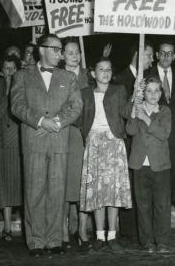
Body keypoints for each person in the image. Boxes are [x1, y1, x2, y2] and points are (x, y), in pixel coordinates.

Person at [11, 34, 83, 257]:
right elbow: (17, 106)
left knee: (56, 193)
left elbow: (76, 106)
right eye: (56, 49)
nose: (60, 54)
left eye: (61, 50)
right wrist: (41, 121)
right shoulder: (22, 76)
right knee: (34, 193)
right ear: (41, 50)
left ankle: (54, 240)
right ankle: (36, 242)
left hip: (59, 140)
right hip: (33, 141)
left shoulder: (69, 77)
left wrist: (57, 123)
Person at [78, 57, 132, 251]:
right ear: (93, 73)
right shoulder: (84, 93)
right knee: (97, 192)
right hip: (94, 144)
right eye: (101, 69)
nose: (105, 73)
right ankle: (100, 236)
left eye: (108, 69)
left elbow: (127, 112)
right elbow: (78, 118)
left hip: (114, 143)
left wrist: (136, 97)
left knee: (113, 192)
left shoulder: (118, 90)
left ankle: (112, 236)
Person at [114, 40, 154, 241]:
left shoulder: (149, 80)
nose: (152, 59)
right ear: (138, 55)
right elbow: (119, 110)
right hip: (127, 139)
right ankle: (129, 228)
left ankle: (143, 227)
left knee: (142, 185)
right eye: (148, 54)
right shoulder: (120, 78)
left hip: (144, 140)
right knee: (128, 183)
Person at [126, 77, 172, 253]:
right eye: (149, 91)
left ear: (161, 93)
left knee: (161, 204)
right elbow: (130, 131)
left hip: (160, 165)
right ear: (143, 94)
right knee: (143, 205)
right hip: (139, 165)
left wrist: (145, 117)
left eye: (156, 91)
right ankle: (147, 241)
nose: (153, 95)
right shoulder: (136, 110)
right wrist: (134, 111)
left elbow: (163, 133)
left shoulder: (164, 111)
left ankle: (162, 241)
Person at [0, 55, 23, 241]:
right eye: (6, 68)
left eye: (13, 68)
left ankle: (27, 226)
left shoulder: (25, 86)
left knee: (21, 182)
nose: (9, 71)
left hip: (19, 139)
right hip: (0, 140)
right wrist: (8, 87)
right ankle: (7, 226)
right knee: (4, 184)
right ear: (1, 70)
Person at [60, 37, 91, 250]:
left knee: (84, 184)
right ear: (62, 55)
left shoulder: (89, 76)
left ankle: (82, 229)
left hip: (86, 135)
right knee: (64, 184)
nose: (74, 56)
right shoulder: (57, 77)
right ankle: (62, 229)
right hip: (66, 135)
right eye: (69, 52)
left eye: (76, 52)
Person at [146, 39, 175, 202]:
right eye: (163, 53)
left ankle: (171, 200)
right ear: (156, 55)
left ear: (174, 56)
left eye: (170, 53)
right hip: (154, 130)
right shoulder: (147, 75)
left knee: (173, 168)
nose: (166, 56)